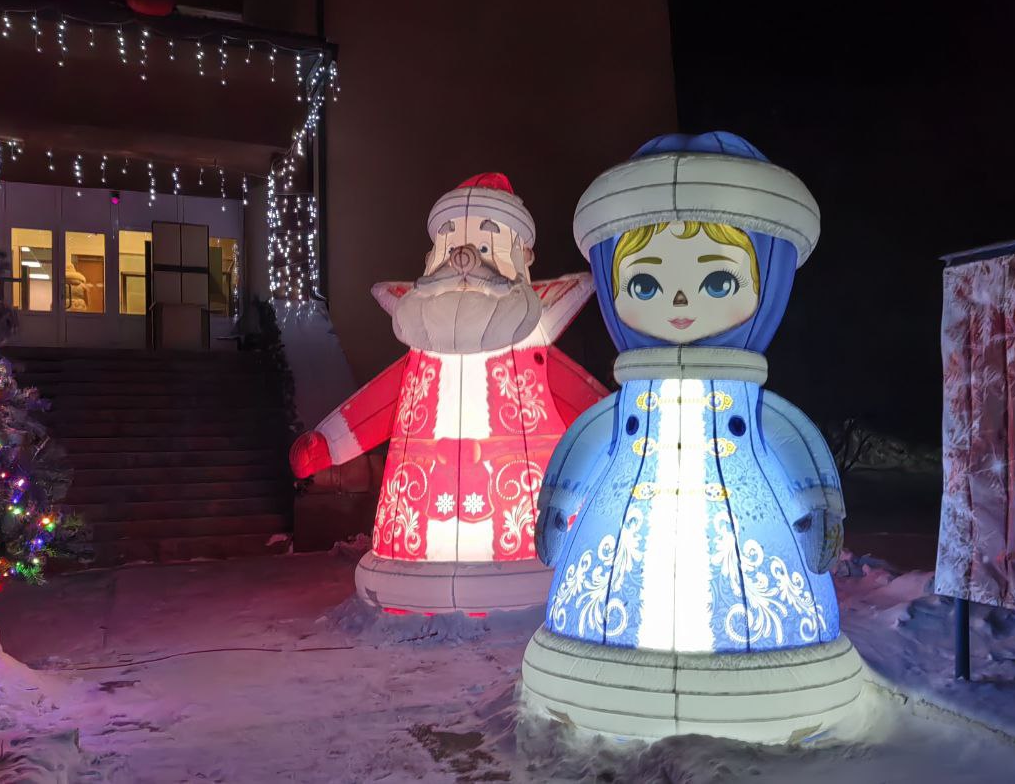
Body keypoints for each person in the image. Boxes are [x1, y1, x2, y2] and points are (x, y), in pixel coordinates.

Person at [518, 132, 863, 743]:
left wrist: (819, 510)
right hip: (607, 607)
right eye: (646, 285)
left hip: (757, 606)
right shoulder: (621, 407)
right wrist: (557, 505)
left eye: (719, 282)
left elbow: (798, 448)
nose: (679, 301)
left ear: (769, 281)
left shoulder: (758, 409)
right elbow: (583, 446)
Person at [287, 173, 607, 614]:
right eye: (451, 243)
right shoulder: (421, 352)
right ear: (431, 257)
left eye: (484, 247)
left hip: (517, 538)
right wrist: (328, 443)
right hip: (414, 532)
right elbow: (377, 404)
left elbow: (591, 414)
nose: (462, 259)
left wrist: (624, 441)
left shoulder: (532, 352)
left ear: (522, 257)